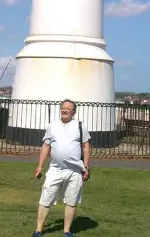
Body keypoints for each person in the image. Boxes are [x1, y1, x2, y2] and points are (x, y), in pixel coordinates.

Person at [32, 99, 91, 237]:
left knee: (71, 201)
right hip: (55, 170)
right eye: (63, 108)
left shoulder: (80, 126)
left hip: (74, 170)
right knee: (46, 199)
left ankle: (67, 231)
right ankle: (38, 230)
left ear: (73, 112)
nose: (64, 110)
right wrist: (40, 166)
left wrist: (86, 166)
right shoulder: (52, 126)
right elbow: (46, 146)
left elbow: (86, 146)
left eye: (68, 109)